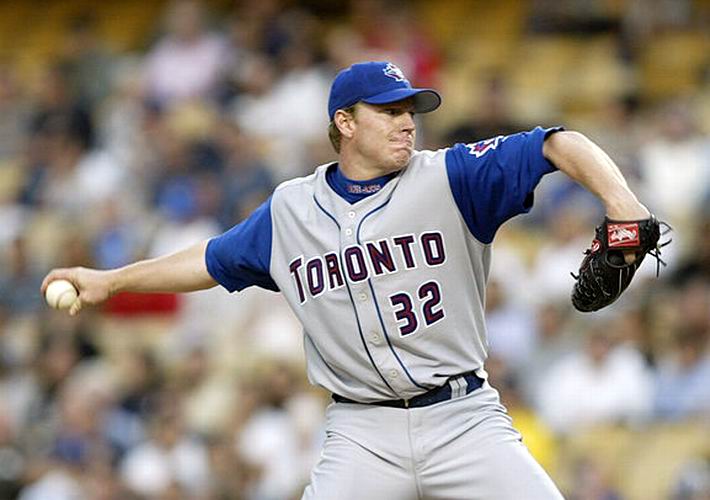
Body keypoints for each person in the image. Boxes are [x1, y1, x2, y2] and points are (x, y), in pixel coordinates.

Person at [42, 61, 651, 499]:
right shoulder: (290, 210)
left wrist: (624, 206)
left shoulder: (451, 177)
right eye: (389, 112)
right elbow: (209, 259)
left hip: (463, 418)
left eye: (410, 110)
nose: (407, 123)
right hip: (362, 432)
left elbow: (557, 142)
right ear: (346, 123)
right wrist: (114, 281)